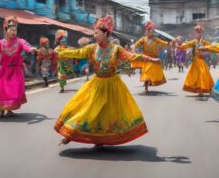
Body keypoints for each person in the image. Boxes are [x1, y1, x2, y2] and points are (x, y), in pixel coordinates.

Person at [55, 16, 160, 147]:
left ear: (105, 34)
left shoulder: (116, 49)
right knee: (88, 109)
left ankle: (100, 139)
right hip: (97, 84)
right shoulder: (91, 48)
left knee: (107, 114)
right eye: (94, 33)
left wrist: (150, 59)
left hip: (112, 85)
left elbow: (132, 56)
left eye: (96, 33)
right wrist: (61, 53)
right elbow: (77, 52)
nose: (94, 36)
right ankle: (70, 134)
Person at [0, 16, 36, 117]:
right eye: (11, 30)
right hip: (3, 70)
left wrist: (32, 49)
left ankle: (9, 110)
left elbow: (27, 47)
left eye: (15, 30)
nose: (13, 32)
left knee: (13, 92)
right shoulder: (1, 43)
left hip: (16, 71)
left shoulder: (20, 41)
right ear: (6, 30)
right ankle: (1, 111)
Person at [132, 21, 169, 94]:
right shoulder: (143, 39)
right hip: (146, 59)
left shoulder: (155, 39)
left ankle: (149, 84)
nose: (149, 32)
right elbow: (136, 44)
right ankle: (146, 89)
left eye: (150, 30)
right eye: (147, 30)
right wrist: (134, 48)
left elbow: (163, 43)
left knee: (151, 74)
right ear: (145, 31)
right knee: (146, 73)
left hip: (154, 59)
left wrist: (169, 43)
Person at [179, 24, 214, 97]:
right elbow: (187, 45)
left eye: (200, 33)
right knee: (195, 75)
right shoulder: (194, 42)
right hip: (195, 61)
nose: (198, 34)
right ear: (195, 34)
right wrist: (180, 46)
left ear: (201, 34)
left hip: (202, 60)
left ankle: (201, 89)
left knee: (203, 74)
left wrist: (209, 50)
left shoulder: (204, 42)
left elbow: (210, 47)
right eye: (197, 33)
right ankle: (199, 89)